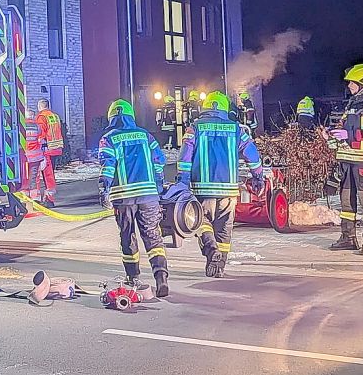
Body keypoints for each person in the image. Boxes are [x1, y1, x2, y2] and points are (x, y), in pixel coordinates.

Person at [177, 91, 263, 278]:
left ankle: (211, 249)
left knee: (202, 222)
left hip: (202, 188)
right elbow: (252, 155)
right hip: (229, 190)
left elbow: (184, 158)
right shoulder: (236, 129)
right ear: (225, 109)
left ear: (205, 107)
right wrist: (258, 177)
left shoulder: (195, 128)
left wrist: (183, 182)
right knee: (224, 228)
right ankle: (219, 267)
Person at [98, 99, 170, 297]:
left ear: (112, 118)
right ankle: (161, 277)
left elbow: (108, 165)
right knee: (153, 236)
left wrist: (103, 189)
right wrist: (158, 186)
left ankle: (133, 277)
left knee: (127, 237)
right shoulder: (145, 136)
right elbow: (159, 162)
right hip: (148, 196)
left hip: (123, 198)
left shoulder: (109, 138)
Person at [320, 63, 363, 255]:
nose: (349, 85)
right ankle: (348, 238)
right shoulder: (351, 105)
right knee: (346, 204)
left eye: (352, 82)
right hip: (346, 162)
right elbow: (342, 128)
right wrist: (331, 136)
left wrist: (349, 135)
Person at [35, 99, 64, 206]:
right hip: (56, 149)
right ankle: (49, 198)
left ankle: (48, 200)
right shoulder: (55, 116)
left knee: (46, 175)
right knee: (50, 174)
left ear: (39, 106)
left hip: (46, 150)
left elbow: (41, 134)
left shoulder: (41, 117)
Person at [22, 109, 46, 200]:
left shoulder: (22, 126)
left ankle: (25, 197)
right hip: (36, 156)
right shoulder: (37, 126)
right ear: (33, 116)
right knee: (33, 176)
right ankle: (35, 197)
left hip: (25, 156)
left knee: (24, 177)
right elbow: (41, 138)